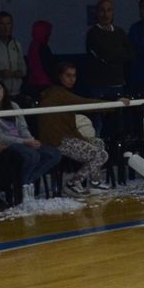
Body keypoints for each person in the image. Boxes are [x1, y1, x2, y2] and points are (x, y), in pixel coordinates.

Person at [38, 61, 114, 194]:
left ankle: (95, 181)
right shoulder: (58, 94)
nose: (72, 79)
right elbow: (85, 103)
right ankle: (73, 182)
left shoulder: (61, 92)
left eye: (74, 75)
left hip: (66, 136)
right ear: (59, 76)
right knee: (100, 154)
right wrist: (114, 105)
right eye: (68, 75)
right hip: (57, 141)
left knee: (99, 143)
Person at [0, 79, 63, 191]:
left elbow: (22, 127)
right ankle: (23, 189)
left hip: (23, 141)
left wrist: (31, 140)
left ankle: (22, 183)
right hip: (7, 144)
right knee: (32, 156)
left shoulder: (13, 105)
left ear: (4, 90)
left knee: (54, 154)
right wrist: (25, 142)